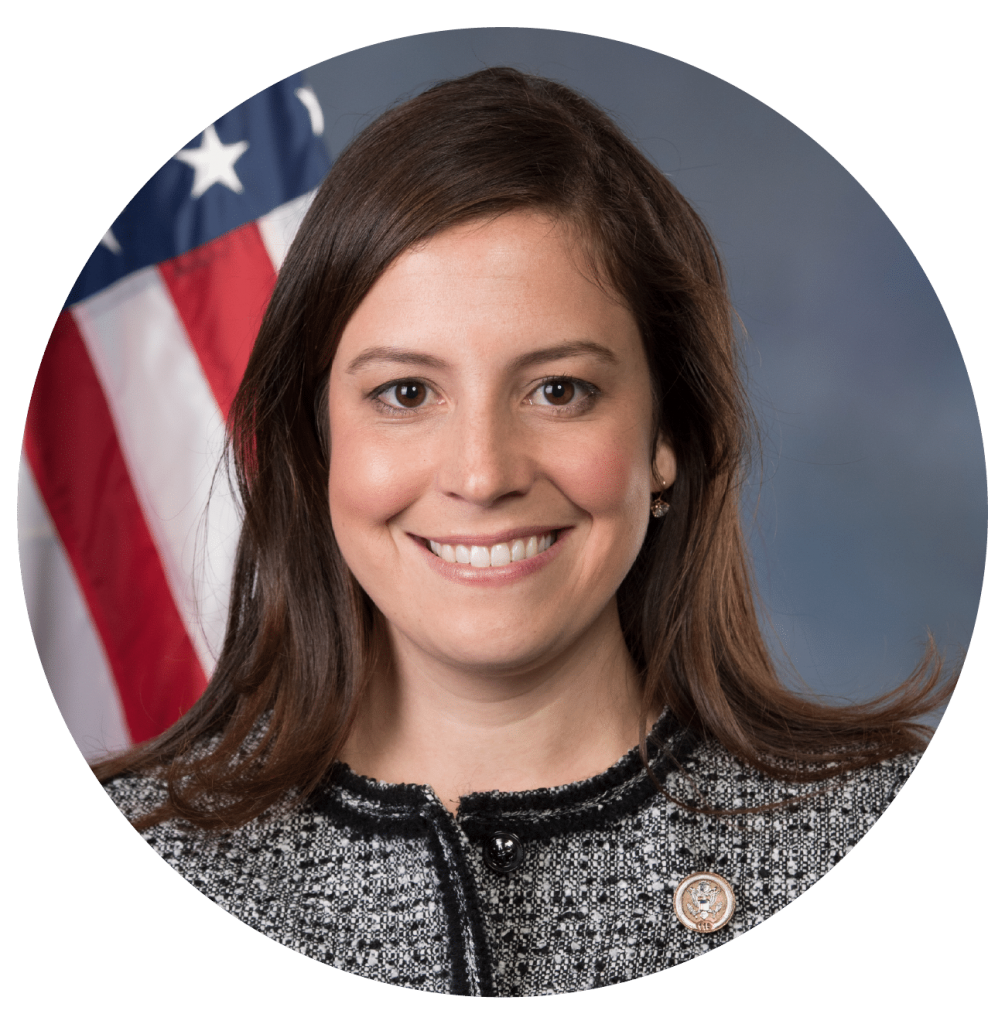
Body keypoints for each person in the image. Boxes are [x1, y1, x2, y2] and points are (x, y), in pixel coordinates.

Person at [95, 67, 955, 996]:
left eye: (559, 391)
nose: (482, 474)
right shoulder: (163, 847)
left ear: (666, 437)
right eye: (406, 394)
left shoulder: (855, 825)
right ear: (317, 445)